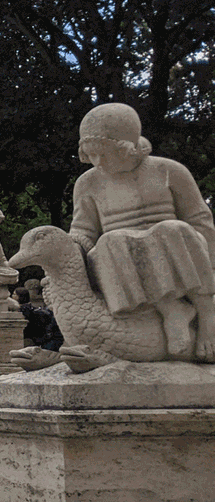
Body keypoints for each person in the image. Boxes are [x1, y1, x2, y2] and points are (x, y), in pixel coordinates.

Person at [69, 103, 215, 361]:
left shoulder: (168, 170)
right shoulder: (88, 183)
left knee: (174, 228)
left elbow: (199, 219)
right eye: (91, 155)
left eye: (104, 154)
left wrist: (211, 264)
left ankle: (206, 314)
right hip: (124, 258)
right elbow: (82, 230)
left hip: (173, 250)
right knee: (107, 242)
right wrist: (67, 256)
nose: (98, 162)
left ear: (127, 147)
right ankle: (171, 310)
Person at [15, 287, 63, 352]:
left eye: (14, 294)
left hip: (33, 339)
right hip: (42, 339)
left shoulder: (24, 309)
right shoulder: (32, 308)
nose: (12, 296)